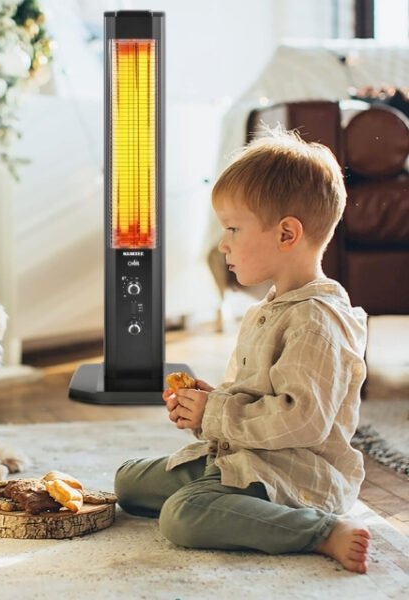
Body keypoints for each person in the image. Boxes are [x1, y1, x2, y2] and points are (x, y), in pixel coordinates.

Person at [114, 127, 370, 574]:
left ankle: (319, 531)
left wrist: (214, 413)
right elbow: (257, 396)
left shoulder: (316, 320)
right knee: (128, 481)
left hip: (295, 475)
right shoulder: (270, 308)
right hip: (249, 457)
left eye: (233, 228)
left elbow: (302, 421)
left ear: (287, 234)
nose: (223, 243)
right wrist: (209, 404)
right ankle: (227, 504)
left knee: (183, 516)